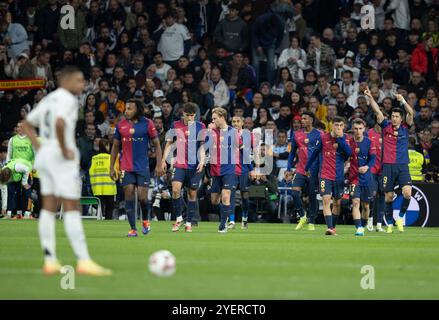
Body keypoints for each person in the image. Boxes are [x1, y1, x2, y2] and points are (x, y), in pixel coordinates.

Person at [22, 66, 111, 276]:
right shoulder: (68, 100)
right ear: (67, 80)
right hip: (61, 159)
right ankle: (83, 260)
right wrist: (63, 149)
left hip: (45, 158)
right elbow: (61, 124)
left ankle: (50, 260)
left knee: (49, 207)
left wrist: (41, 147)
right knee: (72, 207)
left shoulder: (48, 99)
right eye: (79, 80)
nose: (82, 84)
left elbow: (26, 125)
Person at [364, 86, 415, 233]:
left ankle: (399, 218)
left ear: (401, 118)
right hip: (387, 166)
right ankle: (390, 224)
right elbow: (377, 111)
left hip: (402, 165)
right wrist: (370, 97)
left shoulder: (406, 127)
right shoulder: (385, 126)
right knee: (389, 197)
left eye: (396, 116)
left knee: (407, 193)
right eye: (392, 116)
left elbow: (411, 113)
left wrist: (403, 101)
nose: (393, 118)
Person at [110, 99, 163, 237]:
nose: (126, 111)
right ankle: (133, 228)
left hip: (142, 167)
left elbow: (157, 145)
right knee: (128, 194)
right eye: (126, 108)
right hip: (126, 167)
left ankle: (145, 220)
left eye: (129, 109)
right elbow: (115, 147)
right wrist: (111, 167)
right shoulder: (120, 125)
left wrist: (159, 164)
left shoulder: (148, 123)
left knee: (143, 198)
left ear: (137, 110)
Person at [161, 103, 206, 233]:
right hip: (179, 164)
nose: (190, 118)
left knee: (192, 193)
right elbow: (169, 143)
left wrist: (202, 161)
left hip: (195, 165)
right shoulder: (175, 125)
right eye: (188, 115)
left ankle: (189, 222)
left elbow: (202, 146)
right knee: (175, 190)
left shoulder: (200, 126)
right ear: (183, 114)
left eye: (192, 115)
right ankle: (179, 218)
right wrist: (164, 160)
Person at [305, 116, 352, 236]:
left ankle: (333, 227)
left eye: (341, 126)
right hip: (325, 174)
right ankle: (330, 227)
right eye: (337, 125)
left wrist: (340, 139)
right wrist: (307, 168)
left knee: (337, 203)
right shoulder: (322, 137)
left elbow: (349, 153)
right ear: (332, 125)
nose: (339, 128)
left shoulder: (345, 138)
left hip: (339, 176)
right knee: (326, 199)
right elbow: (314, 154)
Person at [206, 107, 241, 233]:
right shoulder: (211, 131)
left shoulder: (233, 132)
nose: (213, 120)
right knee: (214, 201)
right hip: (215, 170)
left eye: (215, 118)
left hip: (229, 169)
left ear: (222, 118)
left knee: (226, 195)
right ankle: (225, 215)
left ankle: (223, 224)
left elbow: (239, 146)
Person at [285, 112, 320, 231]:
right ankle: (302, 216)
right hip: (300, 169)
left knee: (312, 196)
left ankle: (312, 222)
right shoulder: (296, 135)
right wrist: (289, 169)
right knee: (294, 192)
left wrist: (320, 170)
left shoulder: (319, 134)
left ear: (311, 120)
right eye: (302, 119)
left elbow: (322, 155)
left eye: (305, 119)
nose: (302, 121)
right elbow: (292, 153)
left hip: (314, 171)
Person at [348, 119, 376, 236]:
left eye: (360, 129)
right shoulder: (348, 142)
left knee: (366, 206)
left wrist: (367, 167)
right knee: (355, 202)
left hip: (367, 178)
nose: (358, 131)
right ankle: (358, 227)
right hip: (354, 178)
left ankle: (363, 225)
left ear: (364, 129)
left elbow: (373, 159)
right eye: (356, 129)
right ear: (352, 129)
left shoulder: (369, 142)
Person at [229, 115, 254, 230]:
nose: (235, 124)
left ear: (242, 122)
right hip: (231, 169)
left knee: (245, 196)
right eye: (233, 121)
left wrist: (252, 169)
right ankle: (232, 220)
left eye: (238, 121)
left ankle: (244, 218)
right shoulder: (228, 134)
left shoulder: (249, 135)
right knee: (231, 195)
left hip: (244, 169)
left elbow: (254, 152)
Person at [89, 139, 117, 220]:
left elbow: (90, 172)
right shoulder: (111, 158)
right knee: (109, 210)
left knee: (99, 211)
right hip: (109, 189)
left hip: (97, 188)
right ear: (107, 146)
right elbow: (116, 173)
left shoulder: (94, 158)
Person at [366, 117, 386, 232]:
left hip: (383, 170)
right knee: (372, 196)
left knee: (382, 195)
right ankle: (369, 221)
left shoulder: (387, 134)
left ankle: (379, 225)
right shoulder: (369, 133)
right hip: (372, 170)